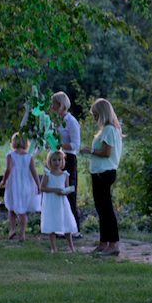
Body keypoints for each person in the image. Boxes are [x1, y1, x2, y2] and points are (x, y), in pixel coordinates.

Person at [85, 97, 123, 256]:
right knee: (101, 209)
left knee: (106, 209)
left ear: (102, 114)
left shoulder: (109, 130)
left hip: (104, 173)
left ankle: (113, 244)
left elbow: (107, 152)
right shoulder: (108, 129)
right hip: (99, 173)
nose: (94, 118)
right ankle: (103, 242)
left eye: (95, 114)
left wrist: (90, 151)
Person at [49, 92, 83, 235]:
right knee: (57, 194)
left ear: (60, 104)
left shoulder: (71, 121)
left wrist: (59, 144)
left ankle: (74, 230)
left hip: (68, 160)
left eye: (54, 104)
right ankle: (60, 229)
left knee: (69, 192)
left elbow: (76, 144)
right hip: (56, 159)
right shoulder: (55, 121)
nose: (51, 107)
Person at [0, 132, 41, 242]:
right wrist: (38, 184)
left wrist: (4, 180)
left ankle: (12, 229)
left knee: (11, 207)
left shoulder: (10, 155)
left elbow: (8, 170)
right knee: (22, 210)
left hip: (14, 185)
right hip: (26, 184)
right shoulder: (29, 156)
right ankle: (22, 232)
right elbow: (34, 171)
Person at [38, 150, 77, 253]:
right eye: (54, 160)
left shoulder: (65, 174)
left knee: (66, 222)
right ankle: (53, 248)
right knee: (52, 223)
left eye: (59, 160)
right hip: (51, 202)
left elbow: (66, 188)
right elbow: (42, 188)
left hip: (62, 203)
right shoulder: (48, 174)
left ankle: (71, 247)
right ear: (49, 161)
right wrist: (54, 190)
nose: (57, 162)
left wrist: (65, 192)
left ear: (62, 161)